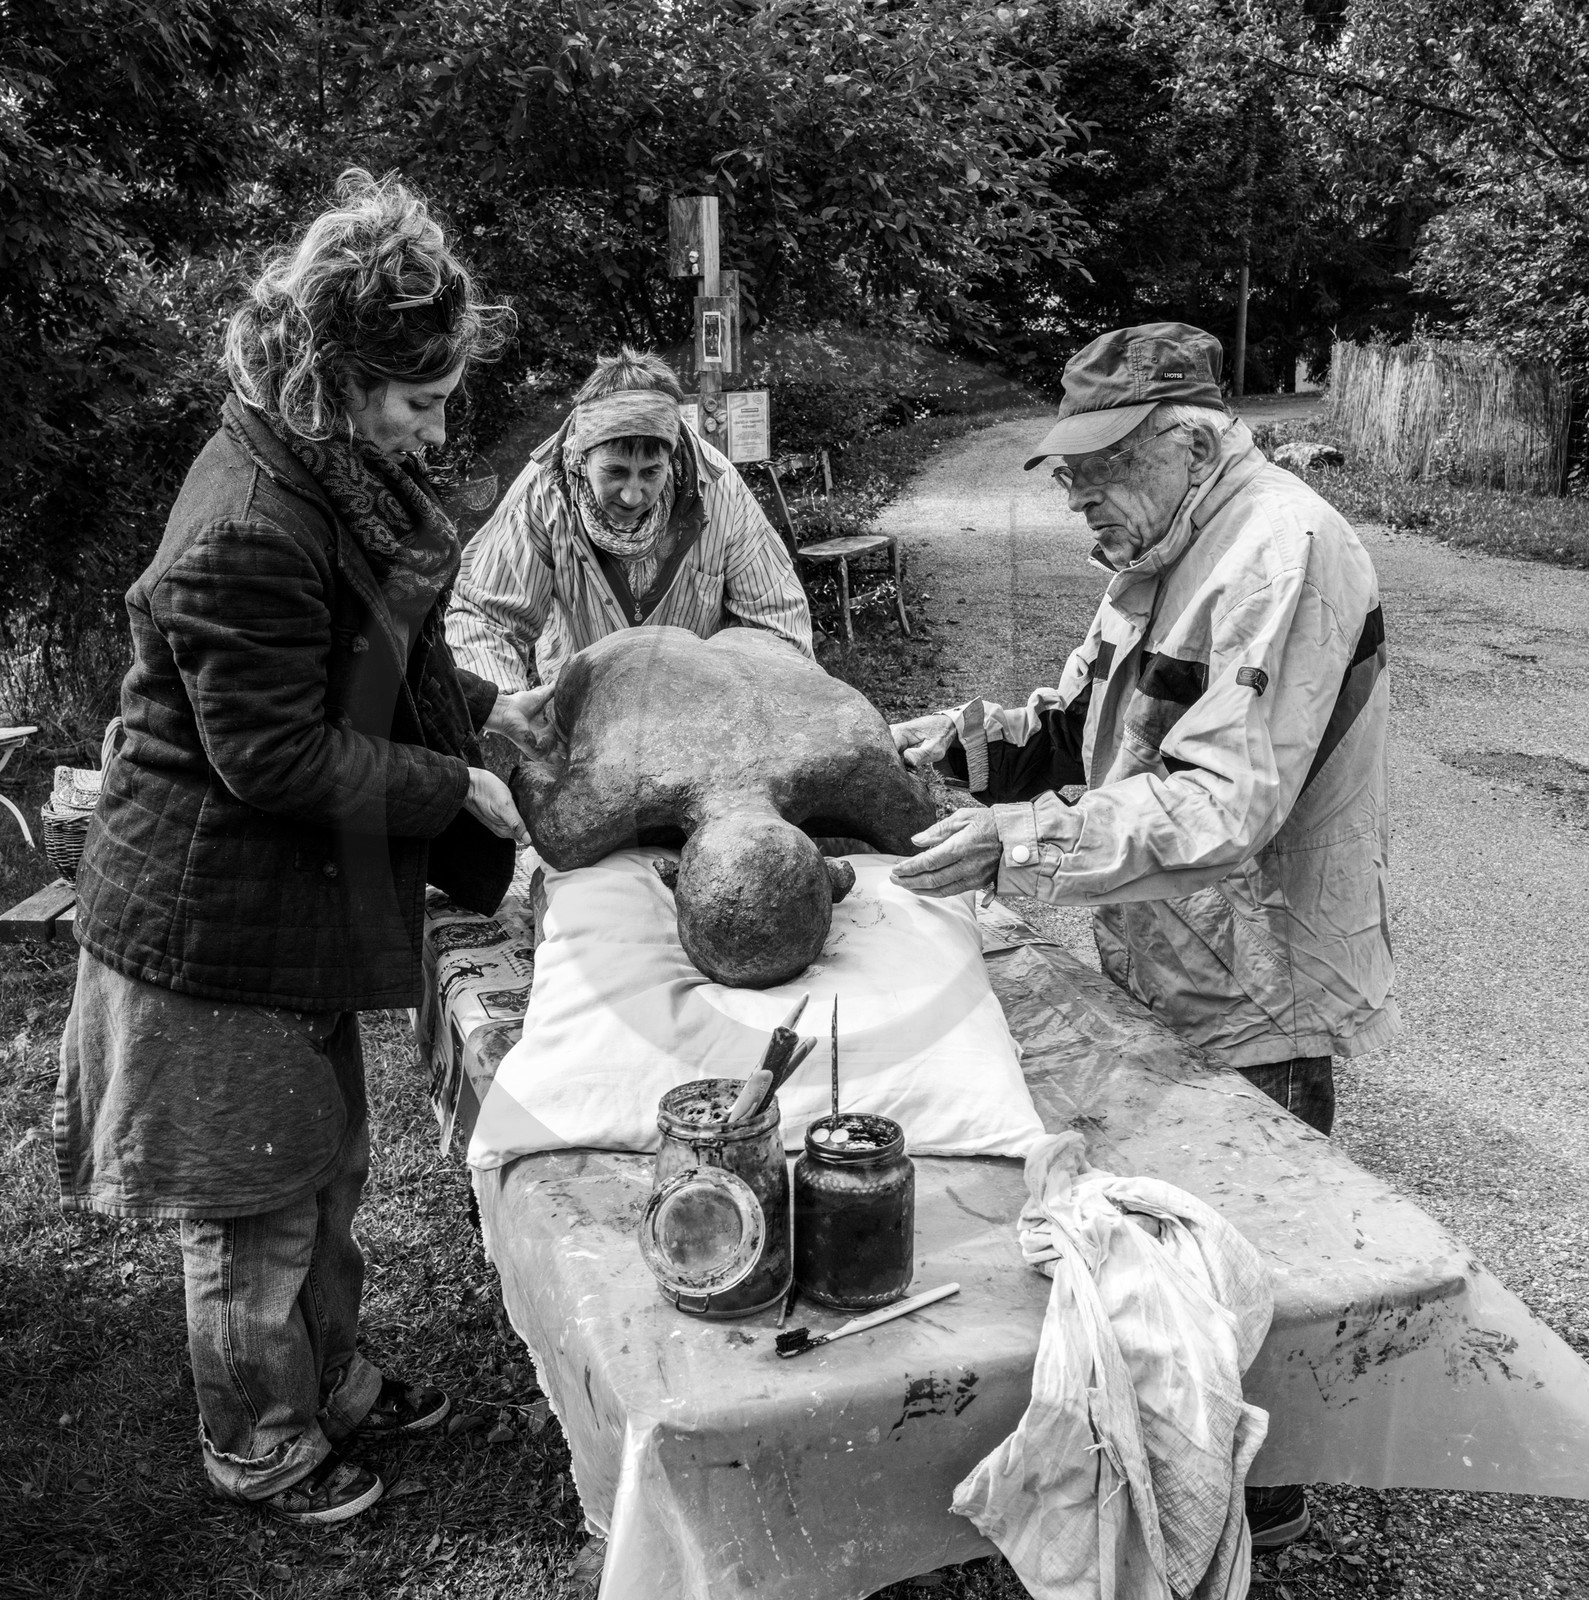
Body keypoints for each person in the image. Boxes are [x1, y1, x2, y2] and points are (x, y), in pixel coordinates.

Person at [54, 169, 551, 1525]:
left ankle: (330, 1379)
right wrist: (451, 784)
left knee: (324, 1164)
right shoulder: (247, 528)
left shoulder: (319, 464)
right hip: (209, 922)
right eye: (421, 398)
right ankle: (260, 1439)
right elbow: (269, 754)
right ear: (338, 374)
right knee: (254, 1202)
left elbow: (363, 657)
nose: (438, 426)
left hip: (281, 902)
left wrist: (487, 713)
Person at [889, 321, 1397, 1550]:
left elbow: (1224, 804)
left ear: (1189, 442)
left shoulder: (1279, 550)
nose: (1077, 497)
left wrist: (1019, 842)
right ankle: (1191, 1463)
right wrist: (974, 746)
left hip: (1261, 974)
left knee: (1253, 1247)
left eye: (1099, 468)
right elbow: (1091, 727)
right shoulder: (1160, 541)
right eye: (1067, 472)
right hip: (1171, 948)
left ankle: (1258, 1496)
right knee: (1179, 1243)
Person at [445, 347, 811, 690]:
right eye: (615, 471)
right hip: (581, 705)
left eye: (651, 472)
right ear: (582, 456)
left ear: (671, 459)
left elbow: (777, 625)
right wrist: (511, 708)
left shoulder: (719, 490)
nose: (632, 495)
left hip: (696, 704)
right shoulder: (545, 491)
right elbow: (485, 619)